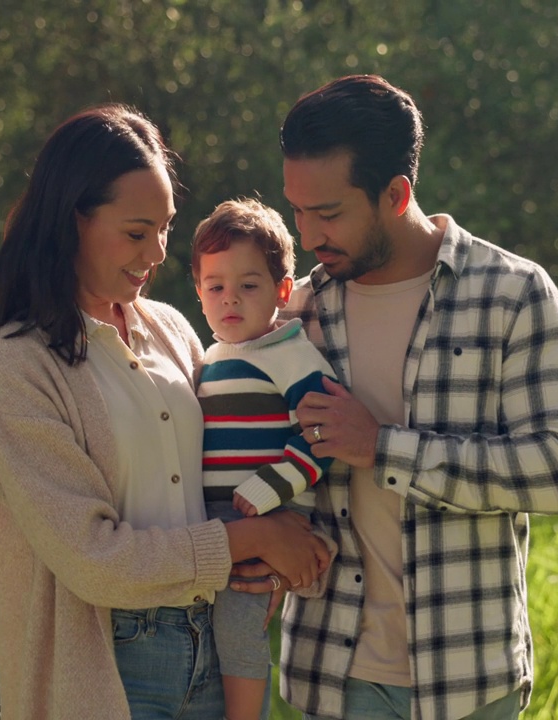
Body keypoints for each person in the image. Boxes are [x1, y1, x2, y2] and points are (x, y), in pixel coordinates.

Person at [0, 104, 331, 720]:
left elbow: (233, 453)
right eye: (138, 232)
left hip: (214, 643)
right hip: (110, 665)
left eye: (165, 228)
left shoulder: (169, 328)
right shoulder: (15, 366)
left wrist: (266, 556)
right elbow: (93, 559)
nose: (158, 251)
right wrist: (254, 536)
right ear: (72, 221)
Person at [260, 74, 558, 719]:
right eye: (297, 209)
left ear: (395, 193)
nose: (306, 236)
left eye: (327, 214)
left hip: (470, 678)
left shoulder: (513, 294)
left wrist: (381, 447)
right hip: (333, 672)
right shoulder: (299, 310)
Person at [190, 198, 338, 720]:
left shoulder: (289, 351)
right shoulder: (207, 359)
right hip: (215, 525)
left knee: (237, 628)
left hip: (267, 514)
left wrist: (268, 488)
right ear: (199, 293)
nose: (230, 299)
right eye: (216, 287)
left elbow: (323, 433)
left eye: (248, 286)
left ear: (281, 291)